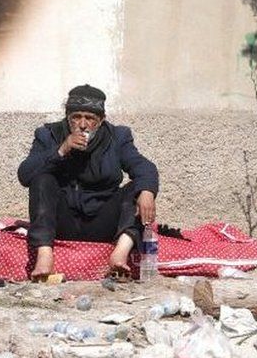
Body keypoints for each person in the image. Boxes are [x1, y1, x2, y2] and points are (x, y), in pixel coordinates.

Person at [17, 84, 159, 279]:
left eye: (90, 118)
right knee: (42, 178)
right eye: (76, 117)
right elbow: (25, 175)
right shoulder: (48, 135)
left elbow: (143, 166)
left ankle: (120, 253)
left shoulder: (117, 137)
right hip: (63, 220)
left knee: (138, 187)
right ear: (67, 117)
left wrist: (147, 191)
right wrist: (61, 149)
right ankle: (44, 255)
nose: (82, 125)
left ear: (100, 120)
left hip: (103, 220)